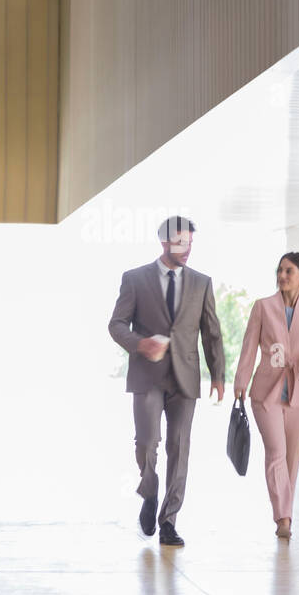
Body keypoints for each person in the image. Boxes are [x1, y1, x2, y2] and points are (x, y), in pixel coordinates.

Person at [109, 216, 225, 547]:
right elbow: (116, 324)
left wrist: (218, 374)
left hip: (185, 378)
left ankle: (169, 521)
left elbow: (211, 331)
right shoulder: (134, 279)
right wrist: (140, 344)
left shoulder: (202, 283)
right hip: (147, 375)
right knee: (147, 442)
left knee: (179, 446)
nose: (186, 249)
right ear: (164, 243)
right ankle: (148, 489)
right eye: (180, 243)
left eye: (190, 243)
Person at [234, 253, 299, 538]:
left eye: (288, 271)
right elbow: (249, 347)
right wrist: (241, 381)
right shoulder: (263, 307)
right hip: (265, 393)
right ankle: (283, 517)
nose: (282, 276)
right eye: (279, 270)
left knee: (292, 458)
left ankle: (286, 514)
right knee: (276, 453)